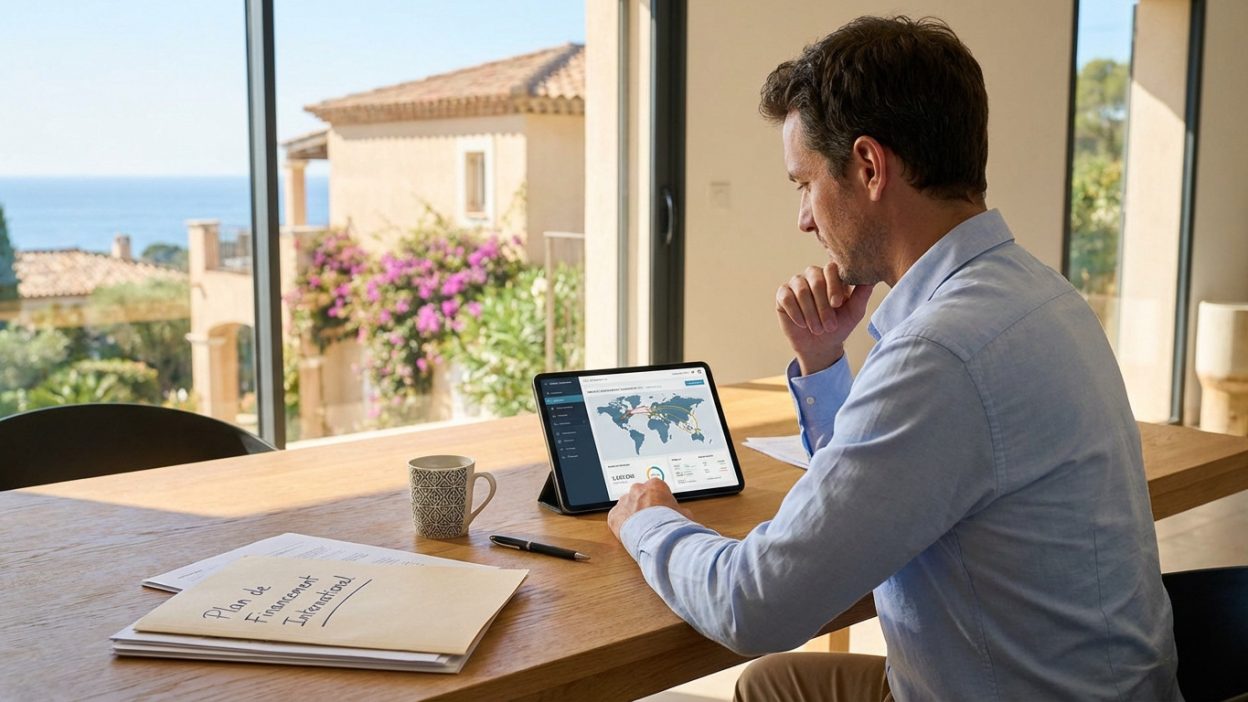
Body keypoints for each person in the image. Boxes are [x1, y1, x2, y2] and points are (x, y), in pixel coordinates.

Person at [607, 15, 1180, 702]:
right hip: (1091, 684)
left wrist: (647, 520)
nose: (804, 219)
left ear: (870, 167)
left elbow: (756, 605)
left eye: (803, 183)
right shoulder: (1038, 293)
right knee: (776, 686)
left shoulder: (942, 350)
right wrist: (823, 361)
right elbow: (886, 487)